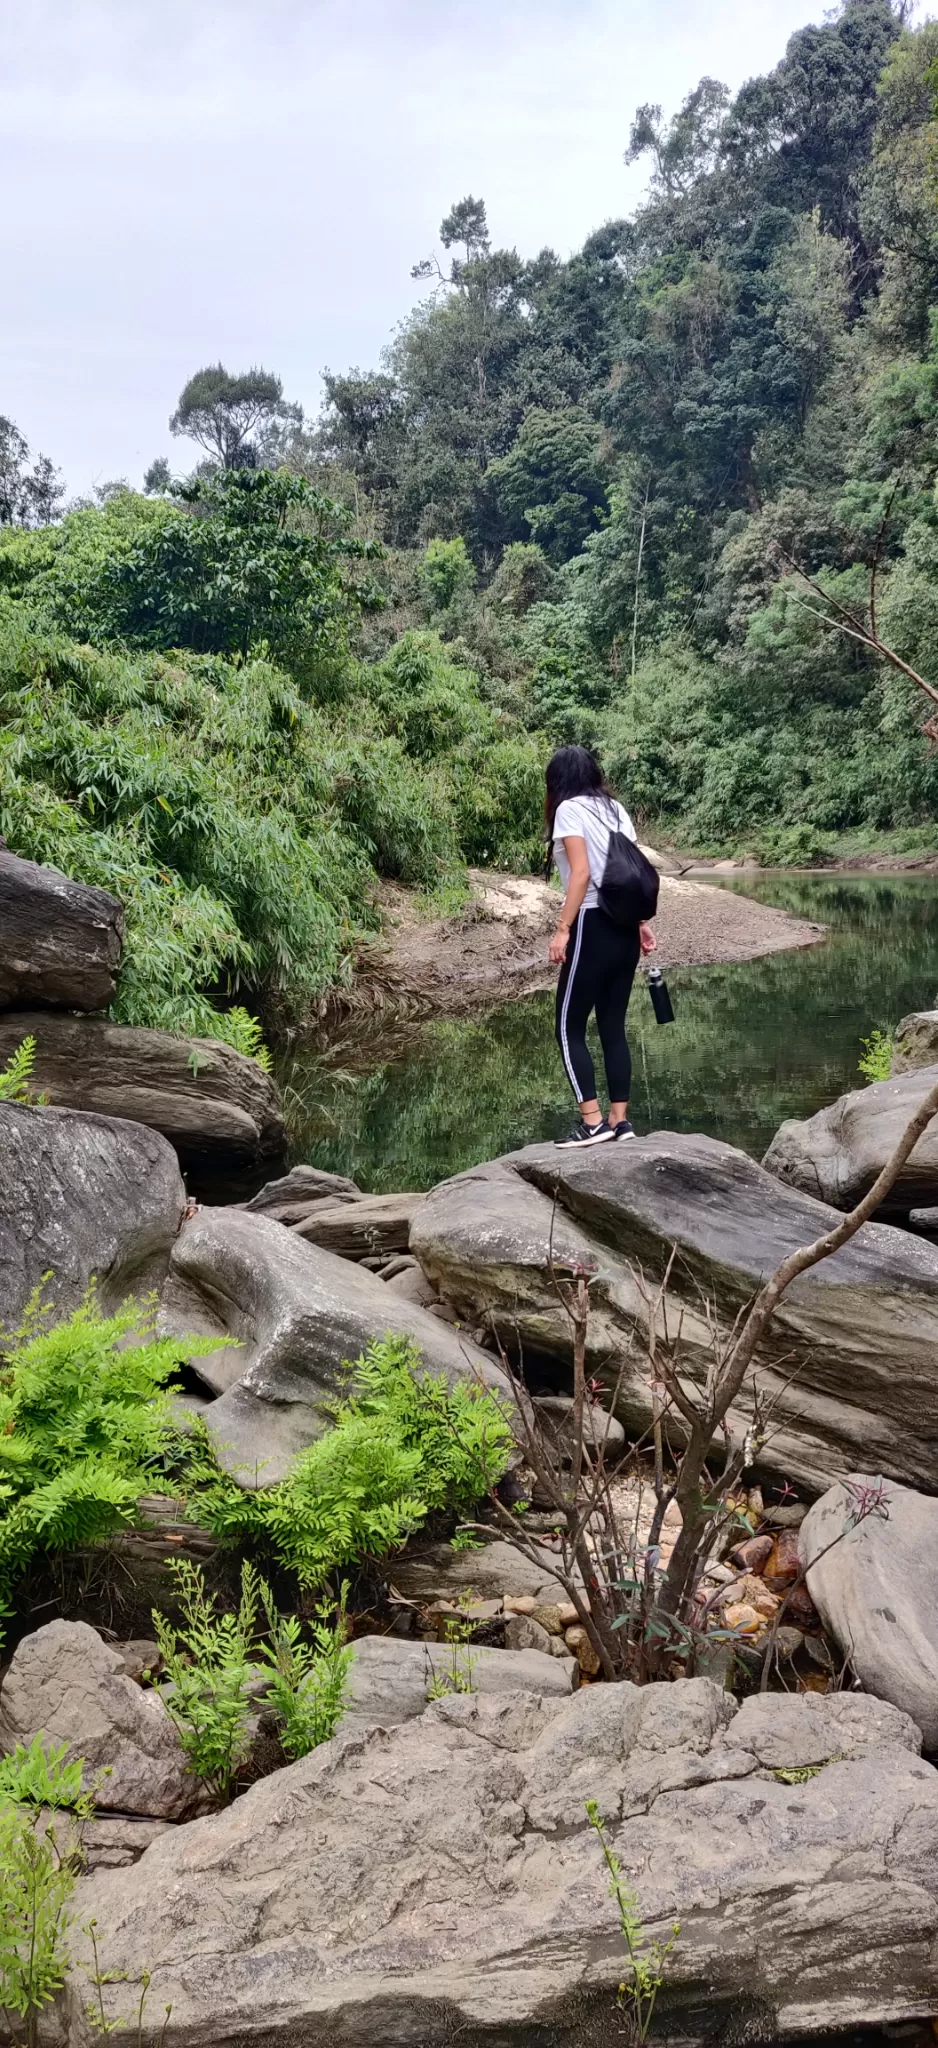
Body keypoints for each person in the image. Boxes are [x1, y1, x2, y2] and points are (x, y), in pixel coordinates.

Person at [545, 745, 656, 1147]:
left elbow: (582, 874)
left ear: (557, 780)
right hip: (624, 926)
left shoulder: (568, 810)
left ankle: (592, 1123)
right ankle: (619, 1121)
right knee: (612, 1026)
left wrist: (562, 929)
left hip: (591, 923)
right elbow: (629, 871)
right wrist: (641, 923)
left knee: (568, 1026)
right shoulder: (616, 810)